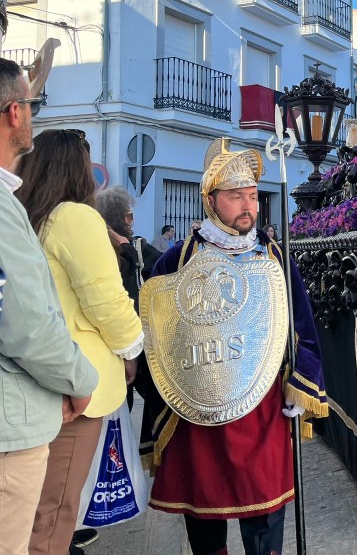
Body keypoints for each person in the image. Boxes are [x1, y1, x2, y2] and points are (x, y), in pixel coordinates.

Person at [140, 138, 328, 555]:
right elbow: (156, 338)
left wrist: (304, 378)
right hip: (200, 408)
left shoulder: (275, 255)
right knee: (205, 515)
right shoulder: (177, 261)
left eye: (252, 196)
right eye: (235, 196)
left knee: (264, 514)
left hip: (262, 403)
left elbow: (302, 325)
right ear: (210, 200)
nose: (248, 206)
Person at [15, 130, 144, 555]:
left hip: (33, 381)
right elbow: (106, 300)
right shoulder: (74, 216)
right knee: (55, 513)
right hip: (75, 385)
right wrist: (131, 350)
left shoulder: (27, 215)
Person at [0, 59, 98, 554]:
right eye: (33, 105)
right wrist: (83, 381)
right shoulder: (5, 207)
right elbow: (26, 322)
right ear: (14, 112)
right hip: (11, 427)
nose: (35, 116)